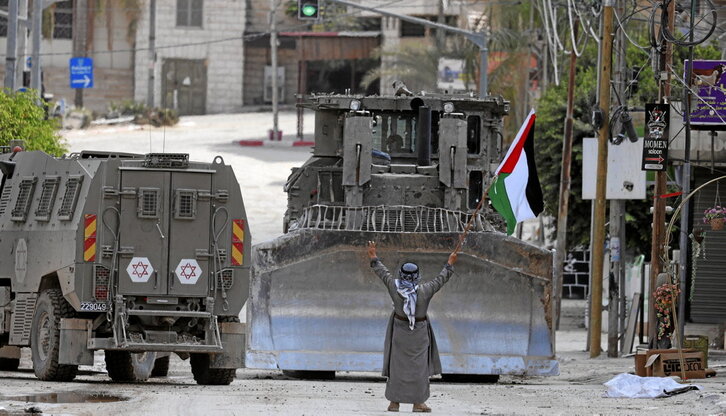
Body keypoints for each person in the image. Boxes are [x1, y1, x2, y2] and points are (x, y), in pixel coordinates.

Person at [366, 241, 458, 413]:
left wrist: (373, 256)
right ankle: (418, 403)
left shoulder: (395, 287)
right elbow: (441, 279)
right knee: (419, 368)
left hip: (399, 332)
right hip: (419, 333)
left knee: (397, 366)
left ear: (401, 274)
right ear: (418, 275)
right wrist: (450, 263)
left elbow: (382, 272)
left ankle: (394, 403)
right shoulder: (425, 290)